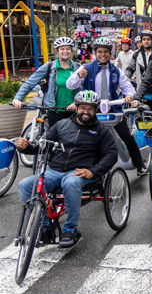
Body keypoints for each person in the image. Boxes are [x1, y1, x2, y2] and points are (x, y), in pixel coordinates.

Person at [16, 90, 118, 248]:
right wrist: (26, 147)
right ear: (76, 108)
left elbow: (111, 154)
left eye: (90, 108)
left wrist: (93, 171)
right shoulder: (61, 125)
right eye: (82, 107)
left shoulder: (101, 131)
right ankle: (46, 227)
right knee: (25, 185)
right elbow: (43, 146)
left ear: (96, 110)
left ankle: (70, 229)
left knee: (70, 184)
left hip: (80, 171)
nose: (86, 111)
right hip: (54, 170)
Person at [66, 37, 147, 176]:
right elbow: (70, 85)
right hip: (91, 112)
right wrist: (79, 76)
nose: (102, 54)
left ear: (110, 54)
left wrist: (130, 96)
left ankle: (140, 165)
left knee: (127, 137)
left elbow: (127, 86)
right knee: (84, 140)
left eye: (106, 52)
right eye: (99, 52)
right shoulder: (86, 68)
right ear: (95, 53)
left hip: (113, 110)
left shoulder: (116, 71)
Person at [13, 37, 80, 126]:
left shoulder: (78, 68)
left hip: (73, 110)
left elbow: (84, 88)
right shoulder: (49, 67)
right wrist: (18, 98)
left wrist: (76, 102)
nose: (65, 51)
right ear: (57, 51)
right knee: (54, 138)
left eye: (68, 49)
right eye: (62, 49)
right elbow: (30, 83)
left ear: (71, 50)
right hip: (54, 110)